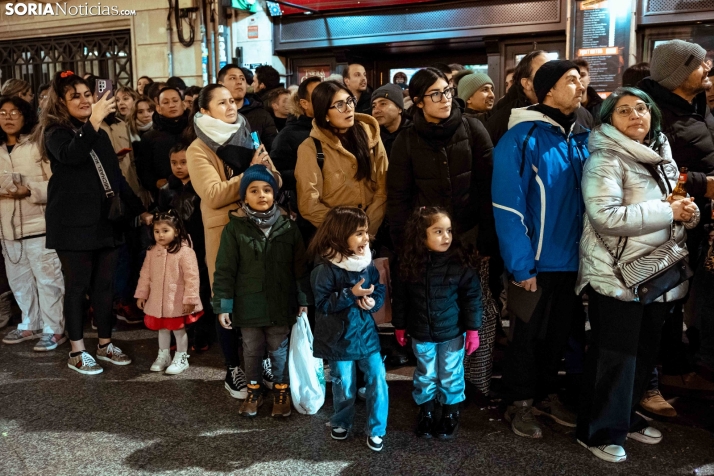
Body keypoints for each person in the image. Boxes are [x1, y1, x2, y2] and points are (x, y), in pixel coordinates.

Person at [576, 87, 700, 463]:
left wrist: (687, 214)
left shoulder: (661, 153)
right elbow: (606, 217)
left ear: (653, 116)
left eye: (641, 108)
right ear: (610, 119)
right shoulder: (605, 159)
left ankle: (626, 418)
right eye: (624, 110)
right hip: (616, 274)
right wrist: (669, 213)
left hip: (655, 274)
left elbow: (671, 206)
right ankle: (598, 431)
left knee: (644, 354)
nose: (635, 115)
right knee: (615, 358)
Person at [492, 60, 589, 438]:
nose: (580, 85)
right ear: (548, 90)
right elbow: (508, 206)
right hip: (534, 262)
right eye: (571, 80)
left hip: (573, 261)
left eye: (580, 79)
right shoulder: (521, 137)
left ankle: (546, 395)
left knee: (559, 335)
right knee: (526, 338)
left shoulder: (581, 135)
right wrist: (521, 266)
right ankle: (519, 404)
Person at [37, 71, 149, 374]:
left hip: (106, 221)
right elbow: (72, 156)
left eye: (88, 94)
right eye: (76, 96)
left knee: (105, 287)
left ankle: (104, 343)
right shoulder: (55, 132)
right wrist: (93, 122)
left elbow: (116, 177)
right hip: (72, 226)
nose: (85, 100)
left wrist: (140, 210)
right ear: (61, 101)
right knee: (76, 288)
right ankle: (76, 350)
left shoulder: (96, 131)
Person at [185, 83, 281, 399]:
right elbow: (212, 195)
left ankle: (263, 361)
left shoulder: (248, 134)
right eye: (222, 103)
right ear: (204, 111)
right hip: (224, 233)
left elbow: (275, 180)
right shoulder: (198, 148)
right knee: (226, 299)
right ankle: (233, 368)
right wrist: (252, 173)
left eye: (232, 101)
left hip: (260, 230)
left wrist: (266, 172)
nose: (230, 107)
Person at [638, 40, 714, 394]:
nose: (707, 69)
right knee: (664, 299)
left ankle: (675, 364)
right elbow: (655, 173)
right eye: (699, 64)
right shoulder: (656, 115)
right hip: (671, 222)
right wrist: (703, 185)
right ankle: (653, 380)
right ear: (679, 73)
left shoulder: (698, 106)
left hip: (702, 219)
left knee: (684, 297)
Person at [213, 165, 309, 418]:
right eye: (254, 190)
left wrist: (303, 299)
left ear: (275, 194)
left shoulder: (288, 228)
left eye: (267, 190)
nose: (262, 195)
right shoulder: (235, 229)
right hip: (248, 305)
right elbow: (224, 270)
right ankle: (253, 391)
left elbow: (300, 268)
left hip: (280, 303)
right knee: (252, 350)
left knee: (279, 350)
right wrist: (224, 305)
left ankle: (281, 391)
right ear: (244, 197)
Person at [392, 206, 483, 440]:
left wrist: (473, 330)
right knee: (425, 373)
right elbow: (401, 298)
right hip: (421, 331)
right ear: (422, 235)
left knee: (451, 373)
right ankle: (427, 411)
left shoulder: (460, 262)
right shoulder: (408, 263)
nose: (447, 237)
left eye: (449, 231)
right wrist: (399, 325)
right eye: (438, 231)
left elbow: (472, 299)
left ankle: (451, 412)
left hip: (452, 333)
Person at [387, 67, 496, 257]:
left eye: (447, 91)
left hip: (469, 233)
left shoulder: (472, 128)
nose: (445, 98)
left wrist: (487, 236)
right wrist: (403, 245)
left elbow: (489, 186)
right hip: (426, 238)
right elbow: (398, 198)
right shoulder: (406, 140)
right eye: (436, 94)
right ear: (418, 102)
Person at [308, 206, 388, 452]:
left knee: (377, 379)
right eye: (359, 233)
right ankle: (342, 420)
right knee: (344, 382)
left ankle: (377, 429)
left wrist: (374, 302)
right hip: (338, 338)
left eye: (366, 232)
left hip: (365, 335)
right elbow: (321, 304)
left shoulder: (366, 262)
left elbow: (378, 288)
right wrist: (349, 294)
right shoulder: (325, 268)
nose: (366, 238)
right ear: (340, 236)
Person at [0, 95, 65, 352]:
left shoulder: (38, 145)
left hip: (40, 226)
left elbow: (58, 184)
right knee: (19, 281)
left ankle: (55, 328)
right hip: (7, 229)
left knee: (48, 280)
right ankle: (30, 322)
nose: (8, 117)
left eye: (14, 112)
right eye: (3, 112)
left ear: (26, 116)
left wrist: (29, 191)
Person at [295, 80, 388, 236]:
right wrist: (347, 231)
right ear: (325, 114)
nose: (348, 108)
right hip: (334, 235)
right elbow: (309, 205)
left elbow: (382, 189)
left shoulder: (370, 135)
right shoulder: (310, 148)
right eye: (339, 105)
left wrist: (367, 230)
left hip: (372, 230)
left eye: (350, 101)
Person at [157, 144, 213, 351]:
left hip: (198, 245)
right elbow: (160, 219)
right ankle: (179, 334)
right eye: (174, 163)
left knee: (200, 291)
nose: (179, 167)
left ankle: (201, 335)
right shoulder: (166, 190)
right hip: (175, 249)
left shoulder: (201, 187)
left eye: (183, 162)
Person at [135, 210, 203, 374]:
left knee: (178, 329)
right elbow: (145, 274)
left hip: (176, 300)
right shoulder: (152, 252)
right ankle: (163, 355)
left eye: (165, 231)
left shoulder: (185, 252)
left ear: (176, 231)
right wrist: (142, 294)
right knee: (163, 329)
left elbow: (192, 278)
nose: (160, 235)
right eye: (157, 231)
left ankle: (181, 357)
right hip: (158, 300)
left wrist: (190, 299)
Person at [487, 51, 593, 146]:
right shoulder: (502, 122)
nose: (554, 77)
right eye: (544, 72)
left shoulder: (582, 114)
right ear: (527, 83)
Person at [270, 76, 321, 238]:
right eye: (317, 96)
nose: (324, 99)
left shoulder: (335, 128)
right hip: (306, 215)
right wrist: (309, 173)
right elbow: (276, 174)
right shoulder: (288, 135)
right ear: (304, 103)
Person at [135, 86, 189, 197]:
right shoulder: (149, 137)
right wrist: (155, 182)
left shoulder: (193, 132)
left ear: (183, 105)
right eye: (166, 102)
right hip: (164, 195)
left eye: (175, 101)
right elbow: (143, 170)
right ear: (158, 108)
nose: (171, 105)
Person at [218, 64, 278, 151]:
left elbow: (273, 148)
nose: (239, 82)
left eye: (242, 78)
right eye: (232, 78)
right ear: (221, 84)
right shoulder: (213, 114)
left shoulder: (261, 115)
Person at [371, 83, 410, 158]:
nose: (376, 111)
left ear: (399, 109)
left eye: (383, 104)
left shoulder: (414, 135)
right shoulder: (373, 136)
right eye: (373, 106)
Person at [573, 58, 603, 125]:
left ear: (589, 79)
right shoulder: (565, 107)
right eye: (575, 77)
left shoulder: (602, 107)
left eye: (582, 75)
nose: (579, 79)